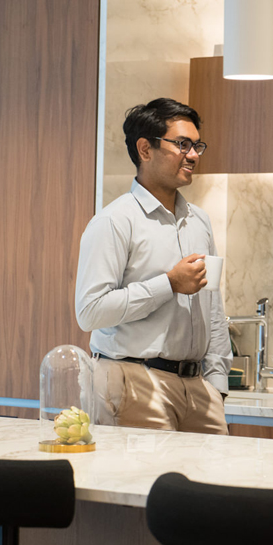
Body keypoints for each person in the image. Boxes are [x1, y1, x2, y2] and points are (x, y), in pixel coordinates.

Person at [75, 98, 231, 434]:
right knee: (147, 471)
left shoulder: (199, 221)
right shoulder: (115, 221)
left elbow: (213, 307)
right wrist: (169, 284)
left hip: (198, 387)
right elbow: (90, 311)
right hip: (134, 380)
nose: (193, 155)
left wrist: (217, 383)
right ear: (145, 149)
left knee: (216, 468)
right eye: (182, 144)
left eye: (197, 145)